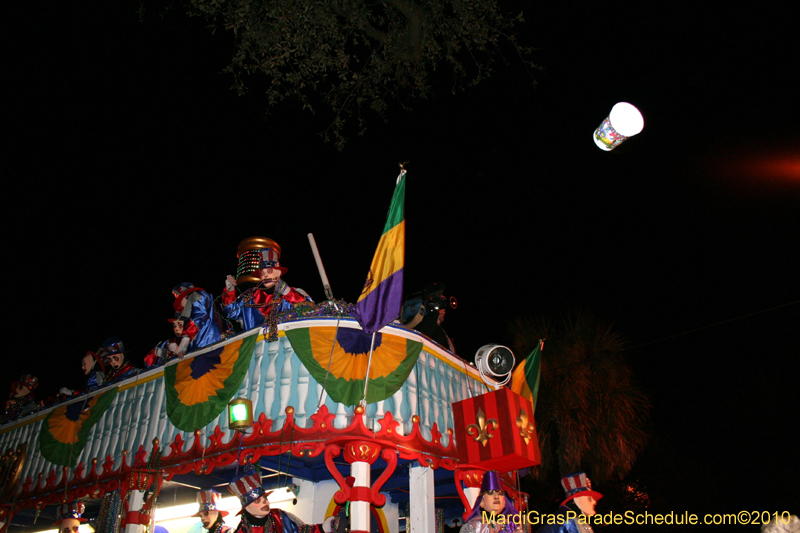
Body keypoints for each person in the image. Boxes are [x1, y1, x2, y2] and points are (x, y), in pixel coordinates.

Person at [220, 246, 312, 336]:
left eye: (269, 271)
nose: (265, 276)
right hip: (255, 347)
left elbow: (309, 311)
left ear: (279, 273)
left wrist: (289, 293)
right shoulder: (249, 297)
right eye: (262, 273)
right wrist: (229, 291)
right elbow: (230, 313)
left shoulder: (292, 294)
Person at [228, 469, 339, 533]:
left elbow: (299, 531)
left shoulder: (278, 516)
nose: (264, 502)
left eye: (265, 498)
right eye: (257, 501)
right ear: (246, 507)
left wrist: (322, 528)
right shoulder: (242, 530)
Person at [536, 472, 602, 533]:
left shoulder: (572, 517)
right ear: (577, 499)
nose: (594, 502)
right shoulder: (569, 521)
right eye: (589, 499)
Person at [172, 282, 223, 355]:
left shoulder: (195, 296)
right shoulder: (200, 297)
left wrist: (185, 340)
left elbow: (199, 318)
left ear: (184, 297)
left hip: (208, 341)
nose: (181, 306)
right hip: (207, 341)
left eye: (180, 300)